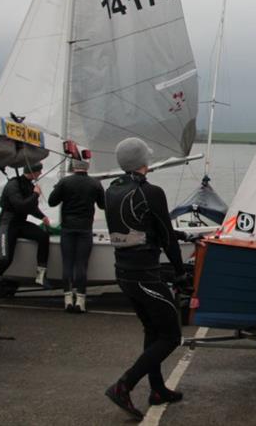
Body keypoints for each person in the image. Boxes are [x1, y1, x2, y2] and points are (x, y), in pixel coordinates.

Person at [103, 137, 191, 420]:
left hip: (124, 272)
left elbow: (140, 227)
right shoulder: (152, 191)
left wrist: (180, 234)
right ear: (143, 161)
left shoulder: (112, 190)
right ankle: (123, 385)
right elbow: (165, 236)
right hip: (145, 275)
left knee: (153, 332)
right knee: (171, 336)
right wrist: (179, 272)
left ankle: (157, 389)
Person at [48, 158, 105, 314]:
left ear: (73, 167)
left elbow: (52, 202)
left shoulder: (65, 182)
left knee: (67, 264)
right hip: (85, 229)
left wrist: (57, 190)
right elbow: (103, 205)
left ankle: (67, 300)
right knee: (81, 265)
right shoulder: (95, 183)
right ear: (87, 167)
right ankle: (80, 301)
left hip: (67, 228)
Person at [0, 163, 51, 286]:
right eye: (39, 170)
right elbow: (21, 206)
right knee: (6, 260)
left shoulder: (29, 185)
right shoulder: (13, 185)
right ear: (33, 171)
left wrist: (42, 216)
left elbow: (31, 207)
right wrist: (36, 194)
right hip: (7, 224)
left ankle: (40, 276)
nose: (41, 173)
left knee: (43, 236)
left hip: (20, 223)